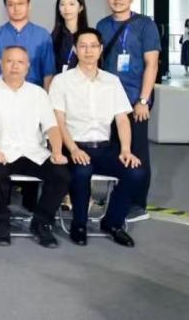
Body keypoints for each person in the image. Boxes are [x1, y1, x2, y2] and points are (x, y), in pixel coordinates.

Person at [49, 28, 148, 247]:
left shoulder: (112, 81)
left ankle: (113, 223)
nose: (89, 51)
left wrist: (125, 150)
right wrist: (73, 149)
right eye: (83, 46)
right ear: (76, 49)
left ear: (101, 49)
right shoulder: (62, 81)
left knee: (136, 172)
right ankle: (79, 224)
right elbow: (58, 121)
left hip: (105, 147)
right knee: (81, 171)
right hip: (74, 146)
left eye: (93, 46)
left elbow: (122, 119)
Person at [0, 46, 70, 247]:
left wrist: (56, 151)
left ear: (28, 66)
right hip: (1, 151)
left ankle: (41, 223)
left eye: (20, 62)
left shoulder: (38, 93)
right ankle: (1, 222)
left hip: (33, 151)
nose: (15, 66)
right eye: (9, 61)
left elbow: (52, 126)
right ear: (1, 64)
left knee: (61, 174)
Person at [95, 0, 160, 222]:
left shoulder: (145, 25)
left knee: (138, 152)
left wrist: (143, 100)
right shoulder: (102, 26)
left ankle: (137, 204)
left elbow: (152, 64)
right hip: (108, 102)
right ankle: (117, 197)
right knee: (113, 150)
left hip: (135, 101)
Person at [0, 0, 57, 89]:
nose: (16, 8)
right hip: (1, 92)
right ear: (5, 8)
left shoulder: (42, 35)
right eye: (11, 4)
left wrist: (46, 96)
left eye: (20, 4)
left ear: (29, 6)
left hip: (34, 92)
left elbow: (48, 72)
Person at [51, 0, 89, 74]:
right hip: (60, 80)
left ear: (80, 8)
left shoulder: (89, 36)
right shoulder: (53, 37)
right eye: (62, 4)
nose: (67, 8)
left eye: (71, 4)